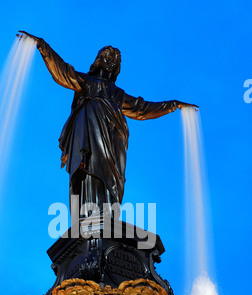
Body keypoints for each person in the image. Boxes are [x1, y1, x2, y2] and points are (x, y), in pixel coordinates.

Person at [19, 31, 198, 218]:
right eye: (107, 57)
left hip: (115, 135)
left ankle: (109, 214)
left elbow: (141, 108)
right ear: (98, 61)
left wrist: (172, 105)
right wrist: (42, 46)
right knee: (89, 167)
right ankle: (89, 214)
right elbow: (64, 73)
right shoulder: (88, 82)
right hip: (90, 132)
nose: (111, 61)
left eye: (115, 60)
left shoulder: (117, 94)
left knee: (116, 176)